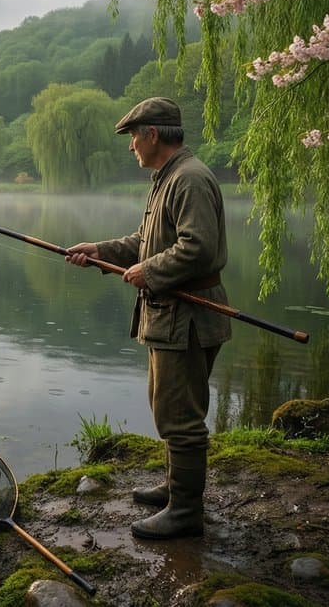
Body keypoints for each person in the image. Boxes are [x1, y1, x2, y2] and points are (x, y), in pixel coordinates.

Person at [65, 96, 231, 540]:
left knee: (181, 416)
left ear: (152, 134)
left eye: (133, 137)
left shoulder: (189, 179)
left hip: (189, 318)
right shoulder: (167, 178)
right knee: (168, 407)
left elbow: (198, 248)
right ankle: (176, 490)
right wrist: (101, 252)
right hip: (171, 316)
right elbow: (147, 239)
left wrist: (150, 271)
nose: (130, 146)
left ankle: (185, 514)